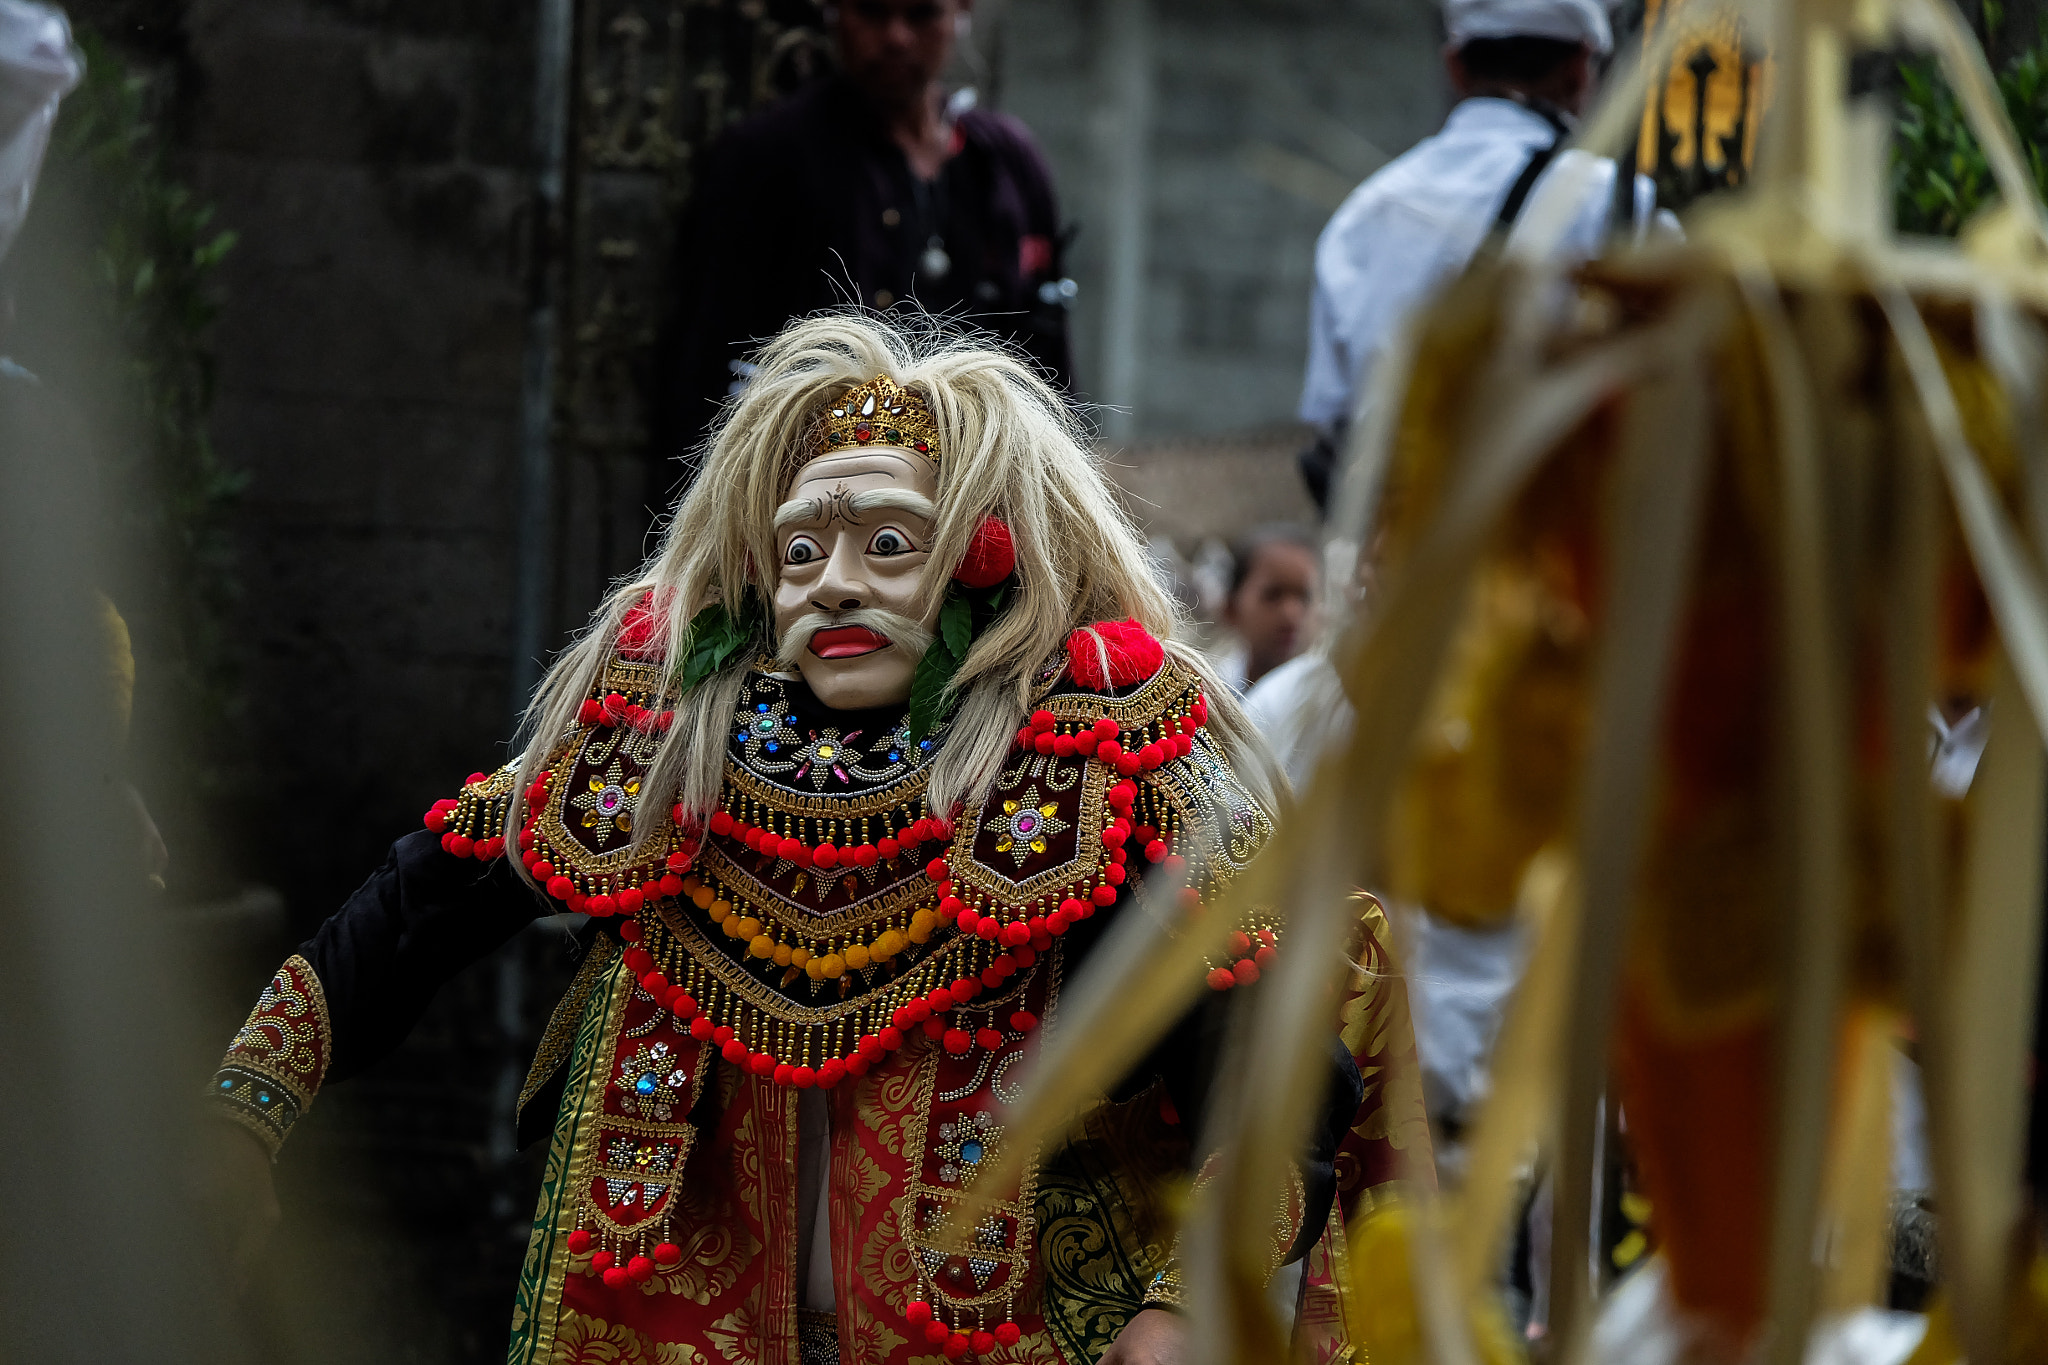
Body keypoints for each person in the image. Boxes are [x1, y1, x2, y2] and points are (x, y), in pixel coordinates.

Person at [207, 312, 1433, 1363]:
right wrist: (245, 1113)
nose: (834, 583)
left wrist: (1178, 1308)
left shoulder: (1064, 777)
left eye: (885, 545)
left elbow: (1265, 1072)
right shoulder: (661, 750)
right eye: (802, 551)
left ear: (978, 562)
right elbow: (418, 909)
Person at [1295, 0, 1673, 509]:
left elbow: (1331, 423)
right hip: (1561, 556)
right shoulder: (1620, 209)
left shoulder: (1362, 214)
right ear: (1583, 67)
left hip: (1400, 562)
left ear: (1455, 64)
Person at [662, 0, 1075, 456]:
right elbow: (708, 365)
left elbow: (1050, 366)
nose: (896, 37)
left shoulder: (1006, 163)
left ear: (961, 10)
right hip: (823, 486)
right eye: (873, 13)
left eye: (921, 15)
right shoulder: (766, 157)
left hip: (984, 479)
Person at [1214, 523, 1319, 695]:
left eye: (1304, 597)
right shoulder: (1212, 698)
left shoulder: (1329, 702)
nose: (1291, 614)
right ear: (1231, 609)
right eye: (1273, 595)